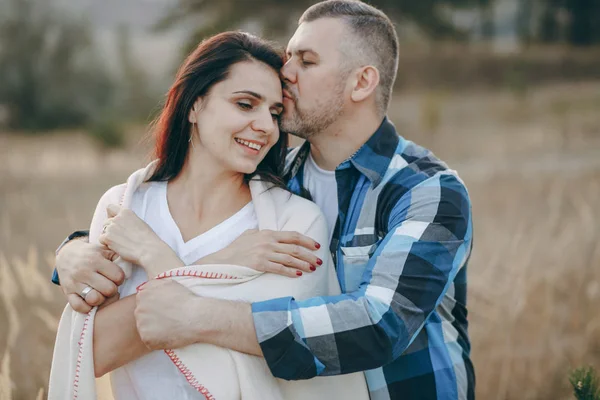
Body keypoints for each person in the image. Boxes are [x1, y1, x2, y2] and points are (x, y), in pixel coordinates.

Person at [54, 1, 475, 399]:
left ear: (362, 82)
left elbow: (379, 326)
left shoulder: (426, 190)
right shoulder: (278, 184)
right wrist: (70, 252)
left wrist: (196, 310)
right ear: (193, 106)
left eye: (306, 61)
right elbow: (172, 227)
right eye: (289, 57)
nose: (286, 72)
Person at [48, 31, 368, 400]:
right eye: (246, 104)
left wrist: (156, 256)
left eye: (275, 111)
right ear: (194, 106)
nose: (266, 126)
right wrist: (222, 264)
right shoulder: (124, 207)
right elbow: (93, 353)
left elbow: (274, 352)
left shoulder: (292, 224)